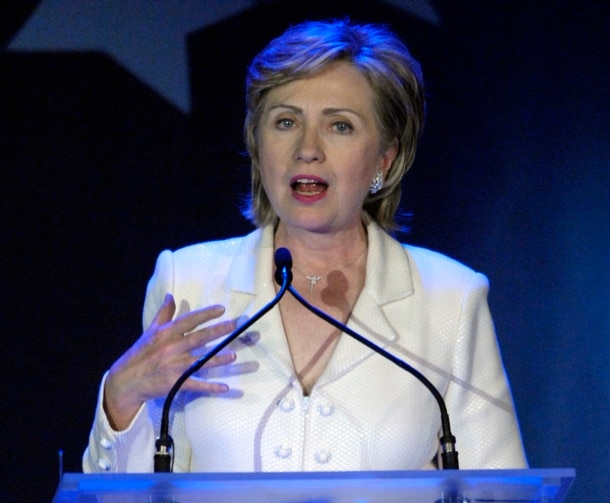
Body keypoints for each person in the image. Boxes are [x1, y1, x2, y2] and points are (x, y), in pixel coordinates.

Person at [83, 18, 527, 473]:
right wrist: (121, 402)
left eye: (340, 126)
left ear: (384, 159)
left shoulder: (450, 300)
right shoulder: (190, 283)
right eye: (286, 121)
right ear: (258, 146)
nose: (307, 148)